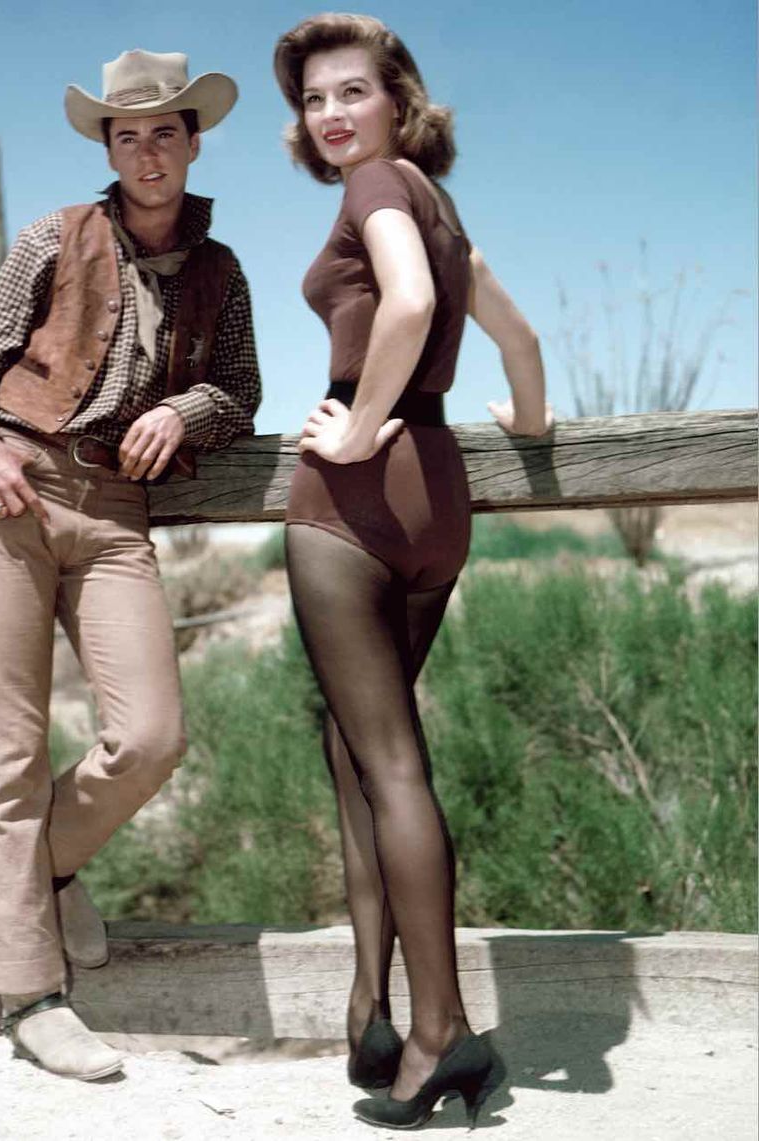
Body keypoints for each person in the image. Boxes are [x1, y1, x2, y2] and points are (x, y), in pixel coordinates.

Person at [0, 49, 260, 1081]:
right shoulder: (52, 237)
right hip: (13, 493)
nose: (148, 150)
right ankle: (33, 997)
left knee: (152, 733)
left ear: (193, 143)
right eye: (129, 134)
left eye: (166, 131)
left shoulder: (220, 270)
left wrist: (184, 408)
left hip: (117, 513)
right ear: (109, 148)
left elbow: (242, 391)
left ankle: (46, 866)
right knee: (7, 747)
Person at [272, 14, 552, 1130]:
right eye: (315, 101)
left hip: (358, 495)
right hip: (438, 493)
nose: (333, 115)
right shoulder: (443, 209)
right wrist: (522, 422)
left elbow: (416, 305)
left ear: (398, 100)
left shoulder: (380, 188)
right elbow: (519, 341)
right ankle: (374, 1008)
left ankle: (441, 1034)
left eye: (353, 92)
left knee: (387, 765)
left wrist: (353, 431)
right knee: (362, 749)